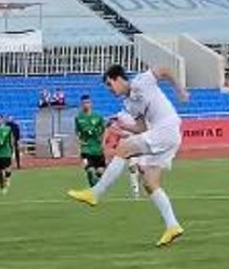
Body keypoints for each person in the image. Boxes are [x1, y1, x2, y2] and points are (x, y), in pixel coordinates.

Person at [68, 65, 190, 247]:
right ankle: (172, 226)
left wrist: (181, 90)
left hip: (167, 129)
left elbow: (164, 70)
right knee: (149, 182)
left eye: (110, 84)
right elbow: (142, 128)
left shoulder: (142, 80)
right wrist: (122, 127)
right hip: (164, 134)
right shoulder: (128, 104)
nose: (110, 90)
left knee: (123, 148)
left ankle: (95, 193)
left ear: (118, 79)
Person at [74, 95, 106, 187]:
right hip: (86, 148)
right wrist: (79, 141)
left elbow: (105, 130)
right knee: (90, 170)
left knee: (100, 172)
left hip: (97, 148)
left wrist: (103, 141)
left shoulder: (98, 116)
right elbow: (76, 131)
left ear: (91, 104)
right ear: (81, 104)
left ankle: (96, 185)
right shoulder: (78, 117)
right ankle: (93, 189)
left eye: (87, 102)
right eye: (84, 103)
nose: (86, 105)